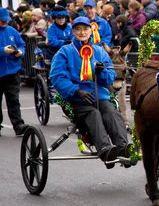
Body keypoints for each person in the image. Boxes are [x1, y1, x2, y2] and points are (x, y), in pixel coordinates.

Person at [49, 17, 130, 167]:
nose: (82, 32)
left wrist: (101, 73)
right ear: (73, 31)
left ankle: (123, 148)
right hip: (76, 100)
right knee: (93, 114)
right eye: (78, 29)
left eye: (85, 29)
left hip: (100, 97)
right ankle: (106, 149)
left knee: (112, 113)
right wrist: (77, 91)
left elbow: (110, 78)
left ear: (90, 31)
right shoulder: (64, 52)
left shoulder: (99, 52)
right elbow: (57, 77)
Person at [0, 8, 28, 137]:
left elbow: (22, 45)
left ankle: (18, 125)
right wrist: (1, 51)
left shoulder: (12, 31)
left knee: (13, 99)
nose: (5, 22)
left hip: (13, 70)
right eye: (2, 20)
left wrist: (20, 52)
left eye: (6, 20)